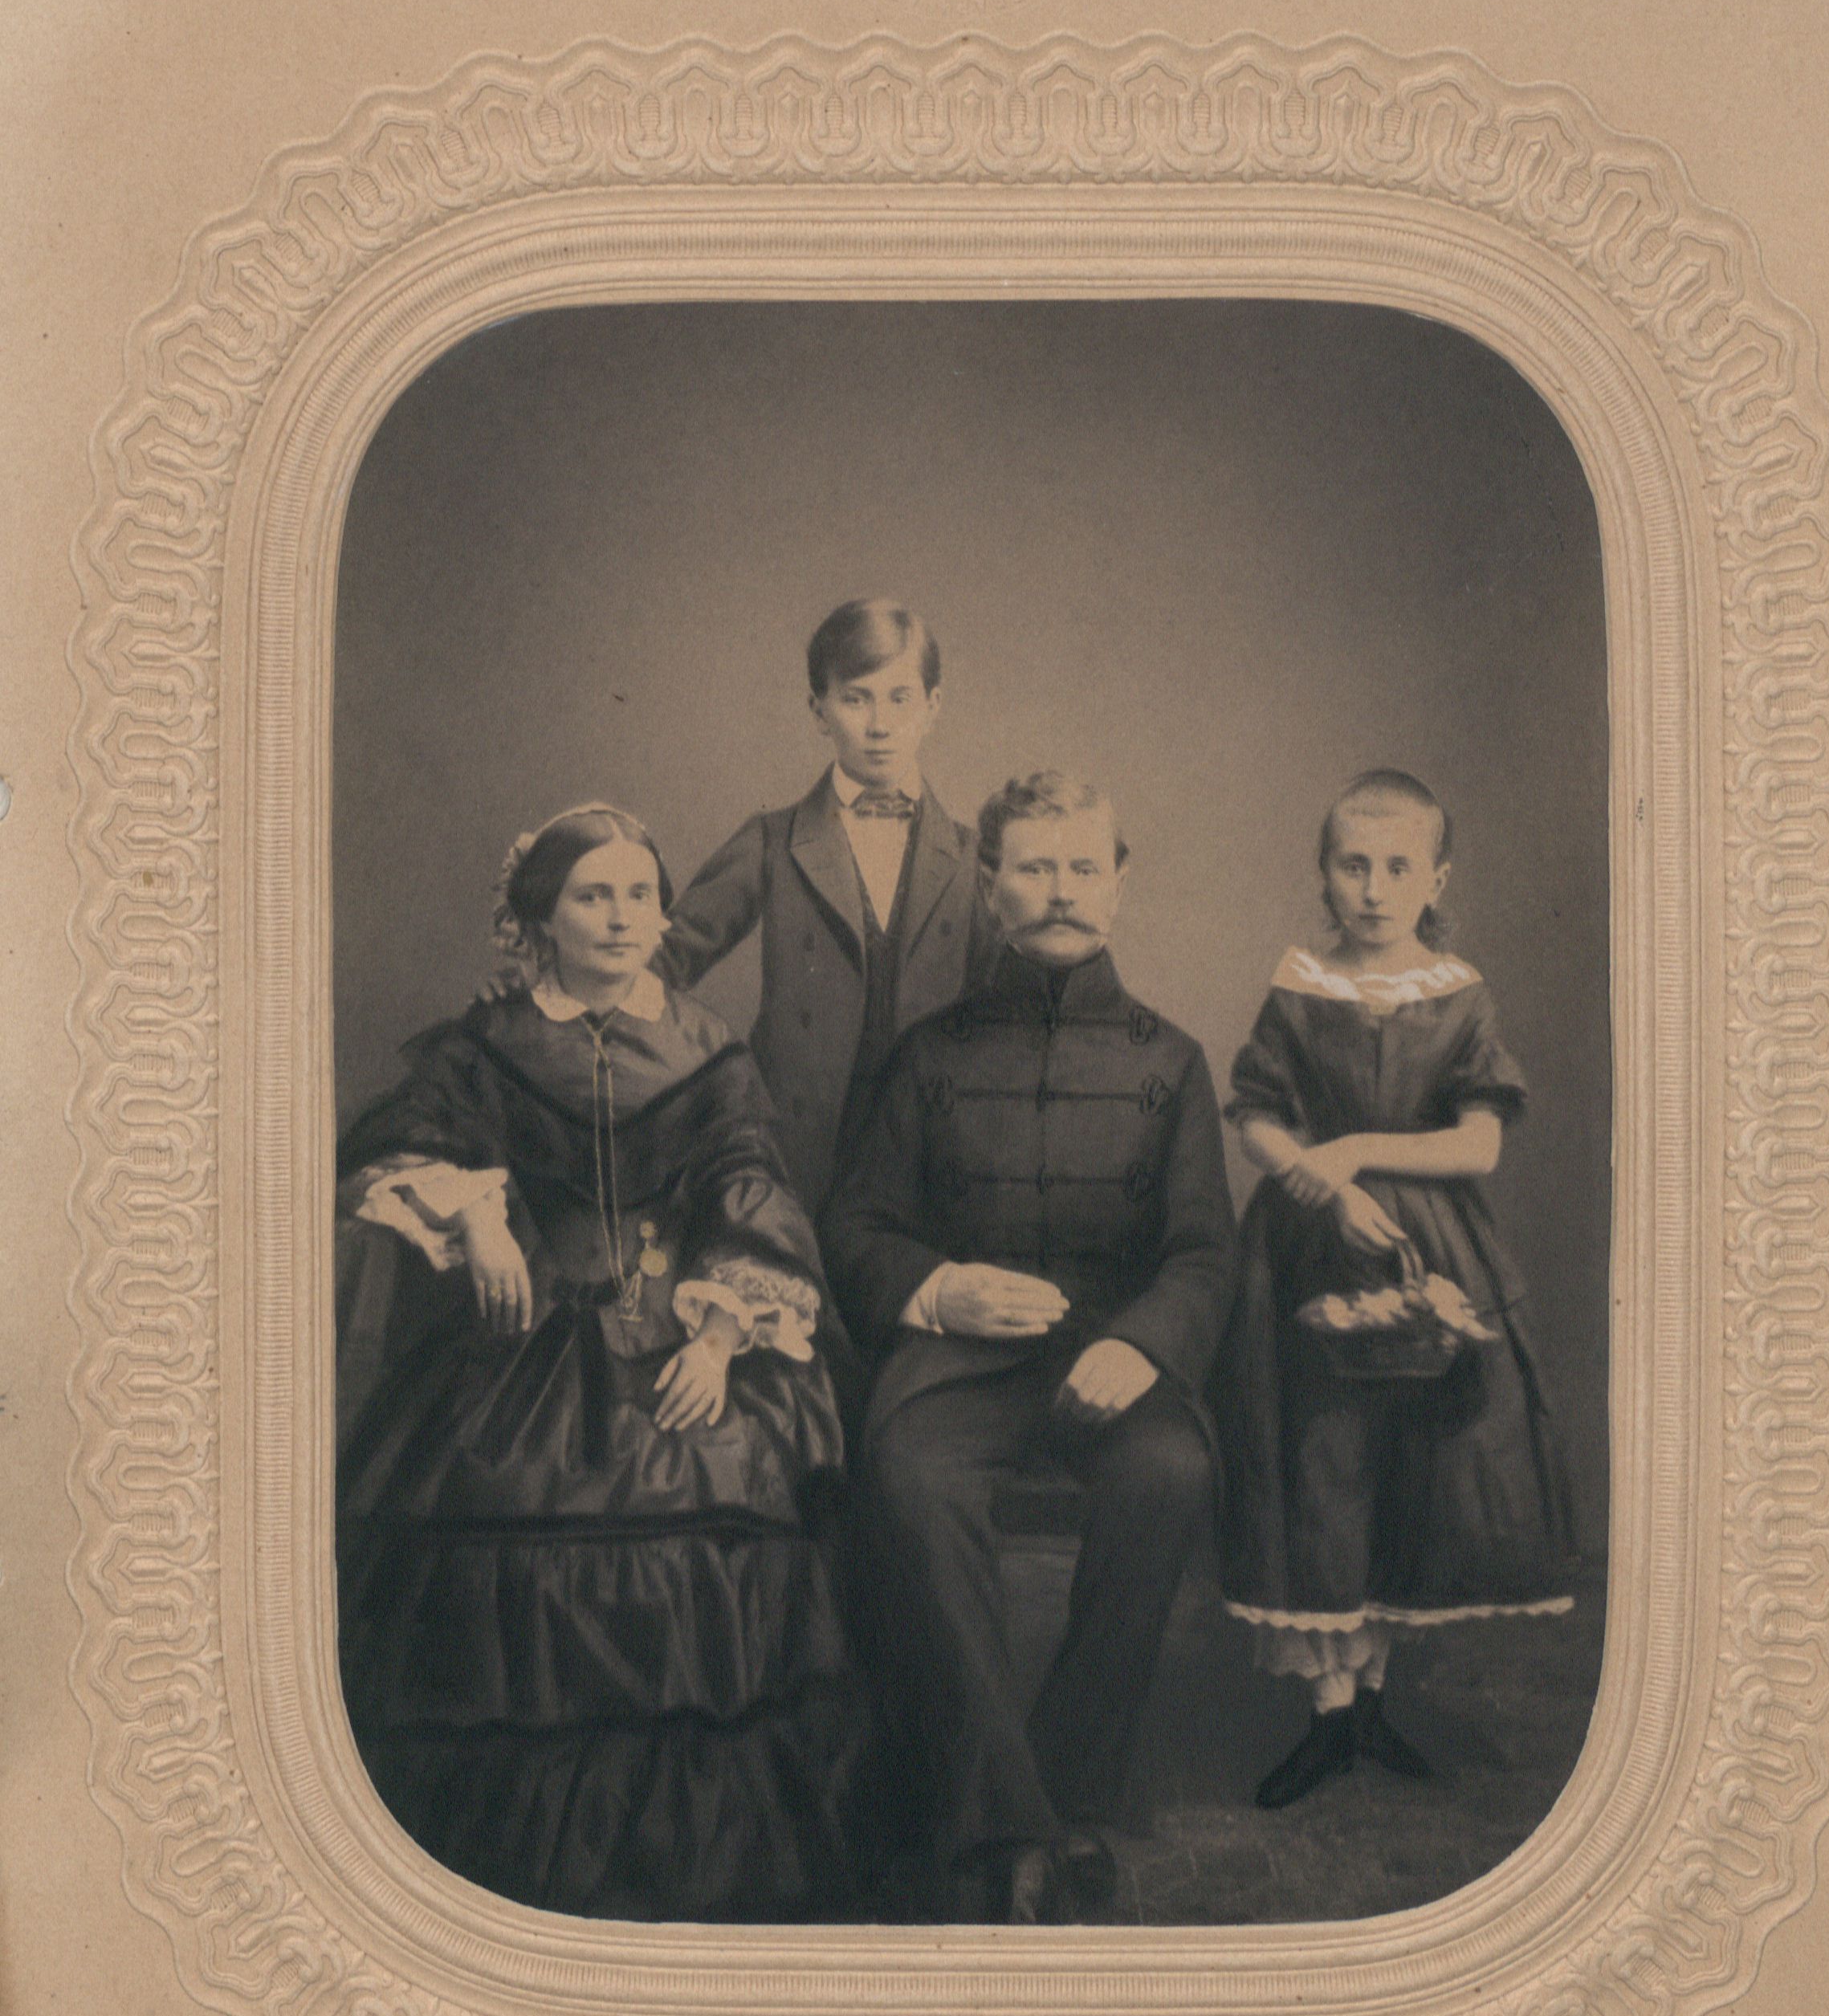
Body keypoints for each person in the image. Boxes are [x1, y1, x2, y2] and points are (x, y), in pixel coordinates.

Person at [333, 804, 878, 1922]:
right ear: (541, 916)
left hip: (686, 1328)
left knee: (716, 1471)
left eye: (640, 895)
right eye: (593, 896)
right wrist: (476, 1213)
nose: (622, 917)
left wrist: (720, 1336)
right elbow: (391, 1150)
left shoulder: (704, 1046)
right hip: (523, 1339)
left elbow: (749, 1190)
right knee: (489, 1487)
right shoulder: (488, 1043)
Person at [820, 772, 1237, 1922]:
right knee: (907, 1476)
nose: (1061, 892)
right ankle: (1009, 1820)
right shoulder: (927, 1054)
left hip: (1110, 1357)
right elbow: (856, 1226)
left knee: (1171, 1470)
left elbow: (1204, 1251)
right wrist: (937, 1289)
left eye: (1084, 867)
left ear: (1119, 884)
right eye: (1035, 868)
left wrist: (1145, 1344)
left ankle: (1071, 1786)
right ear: (989, 885)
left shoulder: (1172, 1060)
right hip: (958, 1364)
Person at [1212, 769, 1575, 1808]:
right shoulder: (1299, 987)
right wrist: (1323, 1186)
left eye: (1397, 867)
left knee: (1410, 1466)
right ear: (1324, 873)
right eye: (1352, 865)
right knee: (1319, 1463)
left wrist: (1359, 1151)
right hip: (1304, 1245)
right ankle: (1326, 1712)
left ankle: (1372, 1701)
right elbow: (1256, 1115)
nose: (1373, 889)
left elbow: (1479, 1144)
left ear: (1435, 879)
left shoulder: (1459, 995)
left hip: (1431, 1247)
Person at [650, 598, 999, 1215]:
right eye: (856, 699)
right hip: (795, 1147)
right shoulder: (771, 840)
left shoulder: (973, 857)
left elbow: (1012, 1009)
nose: (880, 724)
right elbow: (655, 961)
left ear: (933, 707)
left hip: (926, 1151)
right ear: (819, 710)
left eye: (899, 698)